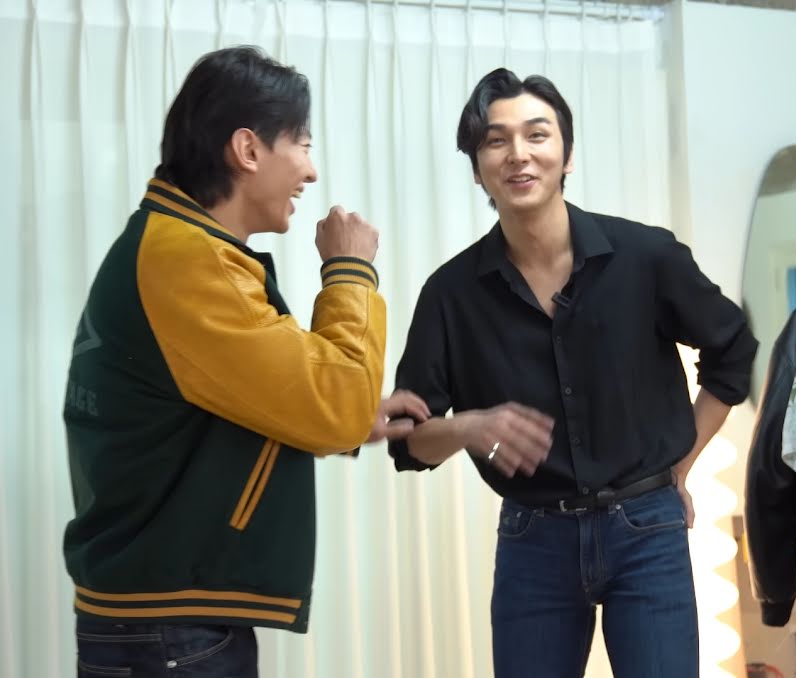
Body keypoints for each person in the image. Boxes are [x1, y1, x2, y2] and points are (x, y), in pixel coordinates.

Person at [63, 46, 428, 678]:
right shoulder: (190, 260)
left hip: (159, 625)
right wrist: (350, 270)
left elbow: (250, 393)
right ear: (248, 150)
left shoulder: (175, 246)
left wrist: (347, 415)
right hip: (169, 635)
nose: (310, 171)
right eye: (303, 145)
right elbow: (333, 405)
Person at [388, 68, 757, 677]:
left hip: (647, 528)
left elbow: (733, 349)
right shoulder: (450, 294)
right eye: (496, 140)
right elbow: (409, 442)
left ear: (568, 155)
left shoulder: (646, 256)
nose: (518, 153)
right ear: (477, 167)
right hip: (533, 540)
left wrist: (681, 465)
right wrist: (466, 428)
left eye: (537, 134)